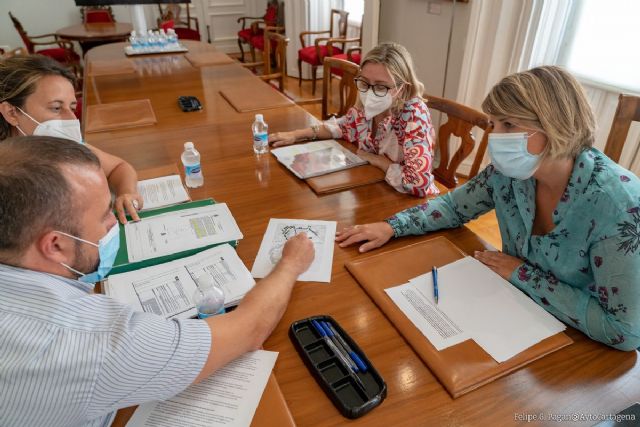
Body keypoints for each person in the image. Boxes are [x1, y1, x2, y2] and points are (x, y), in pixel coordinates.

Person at [0, 136, 315, 426]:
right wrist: (291, 264)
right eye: (102, 216)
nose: (115, 224)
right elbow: (250, 328)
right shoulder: (88, 341)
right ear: (55, 245)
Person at [335, 65, 640, 351]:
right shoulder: (512, 173)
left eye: (508, 124)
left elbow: (624, 330)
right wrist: (392, 226)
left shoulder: (618, 206)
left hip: (581, 351)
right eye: (493, 124)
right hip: (513, 314)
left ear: (555, 125)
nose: (495, 137)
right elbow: (455, 206)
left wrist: (522, 274)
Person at [269, 42, 439, 198]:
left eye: (380, 86)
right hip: (374, 187)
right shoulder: (366, 109)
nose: (370, 92)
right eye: (364, 83)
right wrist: (295, 135)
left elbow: (418, 184)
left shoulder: (413, 115)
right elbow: (340, 127)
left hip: (409, 202)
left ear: (402, 88)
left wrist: (380, 161)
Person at [0, 54, 141, 223]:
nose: (71, 119)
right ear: (12, 113)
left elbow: (118, 167)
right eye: (56, 108)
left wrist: (126, 192)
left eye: (72, 107)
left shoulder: (61, 146)